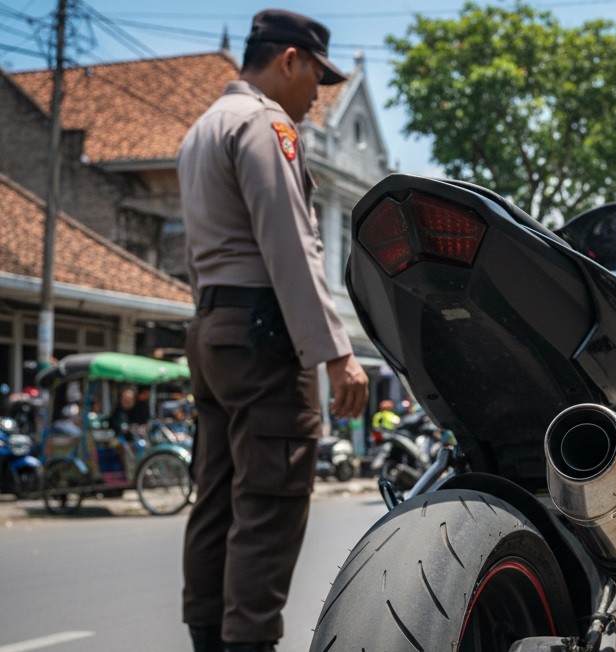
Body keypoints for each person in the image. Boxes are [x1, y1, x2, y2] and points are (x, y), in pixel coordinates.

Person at [177, 9, 369, 651]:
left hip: (212, 329)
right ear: (290, 59)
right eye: (317, 76)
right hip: (262, 336)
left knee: (217, 499)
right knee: (268, 504)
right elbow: (290, 244)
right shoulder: (265, 124)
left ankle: (209, 638)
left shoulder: (204, 127)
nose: (318, 94)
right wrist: (337, 352)